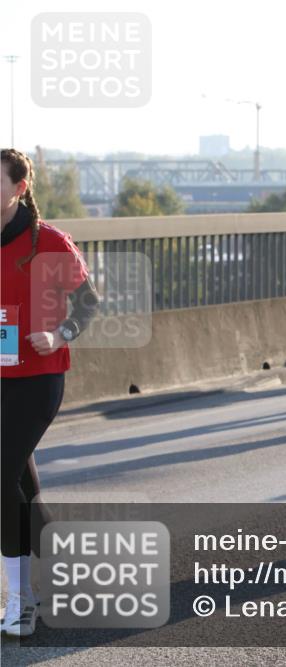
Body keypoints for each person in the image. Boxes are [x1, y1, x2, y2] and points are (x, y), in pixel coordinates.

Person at [1, 148, 100, 637]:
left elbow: (88, 303)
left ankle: (21, 601)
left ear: (18, 188)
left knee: (2, 483)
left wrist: (59, 334)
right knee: (22, 488)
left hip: (38, 381)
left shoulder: (49, 243)